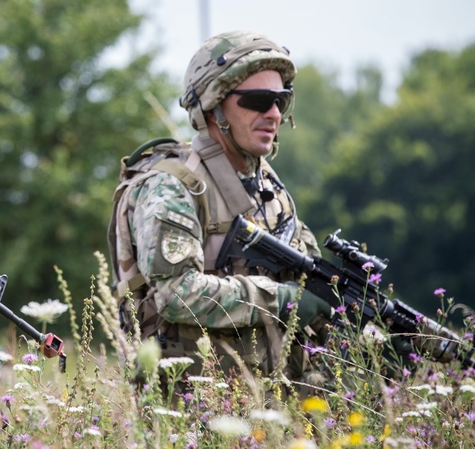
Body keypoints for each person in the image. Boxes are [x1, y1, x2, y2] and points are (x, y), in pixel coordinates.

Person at [108, 30, 332, 393]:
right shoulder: (173, 186)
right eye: (259, 100)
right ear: (213, 107)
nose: (273, 114)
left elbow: (310, 284)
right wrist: (282, 299)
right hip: (193, 406)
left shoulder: (269, 188)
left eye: (281, 100)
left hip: (277, 403)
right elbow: (177, 294)